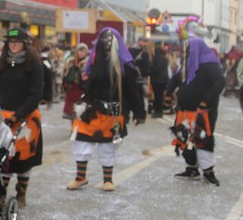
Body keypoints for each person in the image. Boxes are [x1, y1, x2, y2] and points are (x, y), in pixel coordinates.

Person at [66, 28, 145, 192]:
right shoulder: (93, 63)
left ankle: (107, 180)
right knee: (81, 141)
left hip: (112, 113)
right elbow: (86, 87)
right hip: (91, 111)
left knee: (107, 147)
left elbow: (132, 92)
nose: (107, 43)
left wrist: (139, 112)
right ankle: (80, 177)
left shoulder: (126, 68)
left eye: (110, 40)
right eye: (104, 40)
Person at [0, 29, 44, 207]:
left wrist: (18, 115)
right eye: (10, 41)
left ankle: (21, 193)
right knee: (2, 158)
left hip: (26, 118)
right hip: (2, 118)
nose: (13, 44)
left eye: (17, 41)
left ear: (25, 44)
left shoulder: (34, 65)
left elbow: (35, 95)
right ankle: (0, 195)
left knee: (23, 159)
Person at [171, 33, 225, 186]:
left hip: (204, 111)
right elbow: (176, 78)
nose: (186, 52)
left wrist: (206, 101)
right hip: (186, 111)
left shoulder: (210, 65)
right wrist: (169, 90)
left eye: (188, 49)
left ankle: (208, 171)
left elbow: (219, 82)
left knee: (203, 139)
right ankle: (192, 167)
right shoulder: (187, 64)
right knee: (185, 138)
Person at [61, 43, 89, 120]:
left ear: (86, 52)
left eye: (83, 51)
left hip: (82, 88)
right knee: (71, 110)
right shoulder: (71, 61)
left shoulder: (88, 62)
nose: (81, 53)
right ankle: (73, 124)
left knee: (80, 109)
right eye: (80, 51)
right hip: (72, 88)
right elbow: (65, 73)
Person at [150, 44, 170, 117]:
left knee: (158, 96)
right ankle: (158, 110)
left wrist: (149, 71)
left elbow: (157, 69)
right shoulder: (164, 58)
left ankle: (158, 111)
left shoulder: (159, 59)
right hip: (162, 80)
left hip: (158, 81)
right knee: (159, 96)